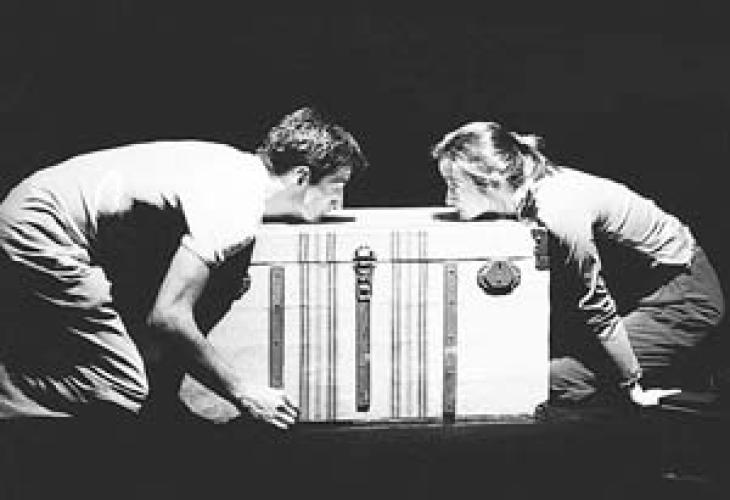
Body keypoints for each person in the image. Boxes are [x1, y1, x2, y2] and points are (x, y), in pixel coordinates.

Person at [0, 106, 368, 428]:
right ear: (301, 177)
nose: (338, 202)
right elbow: (167, 317)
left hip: (47, 212)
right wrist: (243, 392)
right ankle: (8, 394)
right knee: (122, 387)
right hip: (40, 227)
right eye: (337, 186)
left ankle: (162, 403)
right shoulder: (236, 205)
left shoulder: (236, 169)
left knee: (221, 279)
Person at [430, 121, 725, 410]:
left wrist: (632, 383)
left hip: (682, 300)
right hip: (635, 292)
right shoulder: (528, 184)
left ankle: (674, 378)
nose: (448, 198)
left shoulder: (558, 210)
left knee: (544, 379)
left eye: (454, 186)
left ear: (492, 180)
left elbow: (598, 308)